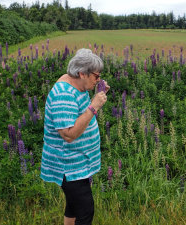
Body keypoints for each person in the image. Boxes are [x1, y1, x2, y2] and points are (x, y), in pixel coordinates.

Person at [40, 48, 110, 225]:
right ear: (82, 73)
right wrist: (94, 106)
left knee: (73, 205)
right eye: (96, 76)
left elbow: (79, 114)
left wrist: (96, 96)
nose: (99, 79)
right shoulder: (63, 94)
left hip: (78, 162)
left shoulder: (78, 85)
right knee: (85, 210)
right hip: (68, 165)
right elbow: (69, 135)